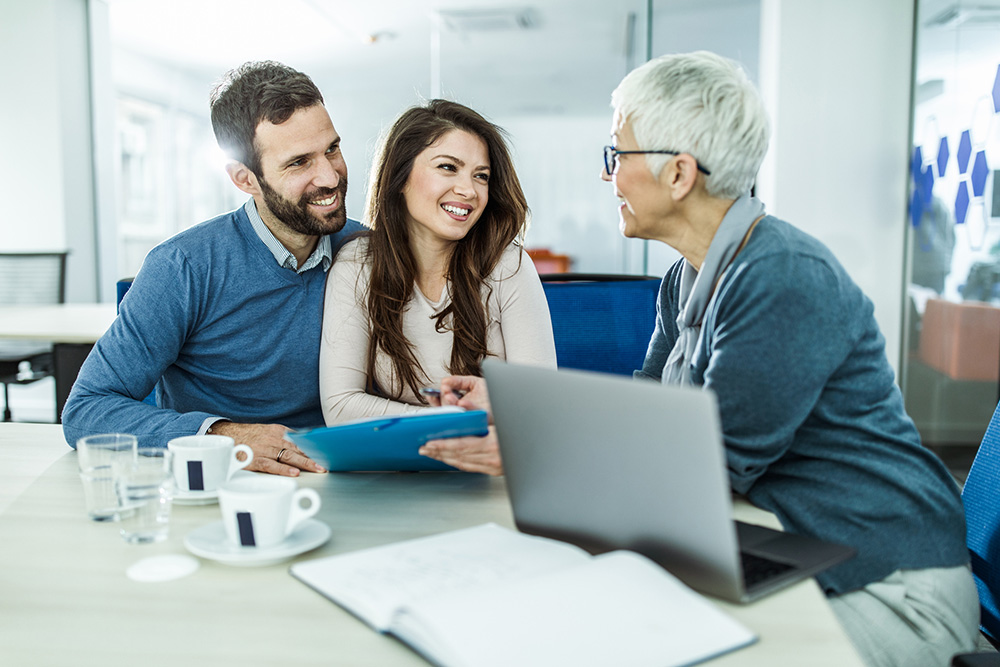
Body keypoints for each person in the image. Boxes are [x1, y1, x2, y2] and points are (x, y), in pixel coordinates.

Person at [431, 52, 980, 666]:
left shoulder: (781, 277)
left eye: (617, 155)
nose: (608, 176)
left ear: (679, 174)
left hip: (889, 587)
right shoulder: (685, 276)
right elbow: (649, 412)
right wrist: (518, 410)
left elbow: (709, 467)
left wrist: (535, 445)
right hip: (792, 545)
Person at [62, 61, 364, 477]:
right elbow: (87, 409)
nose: (330, 176)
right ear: (245, 179)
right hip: (227, 484)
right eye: (299, 163)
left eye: (331, 148)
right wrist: (225, 437)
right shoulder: (182, 267)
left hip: (345, 476)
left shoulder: (366, 251)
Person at [318, 100, 556, 445]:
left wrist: (417, 421)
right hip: (399, 467)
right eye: (448, 167)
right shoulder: (359, 264)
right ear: (400, 177)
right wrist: (456, 420)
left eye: (481, 176)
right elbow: (340, 408)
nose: (469, 190)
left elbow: (539, 407)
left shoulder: (508, 265)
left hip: (491, 468)